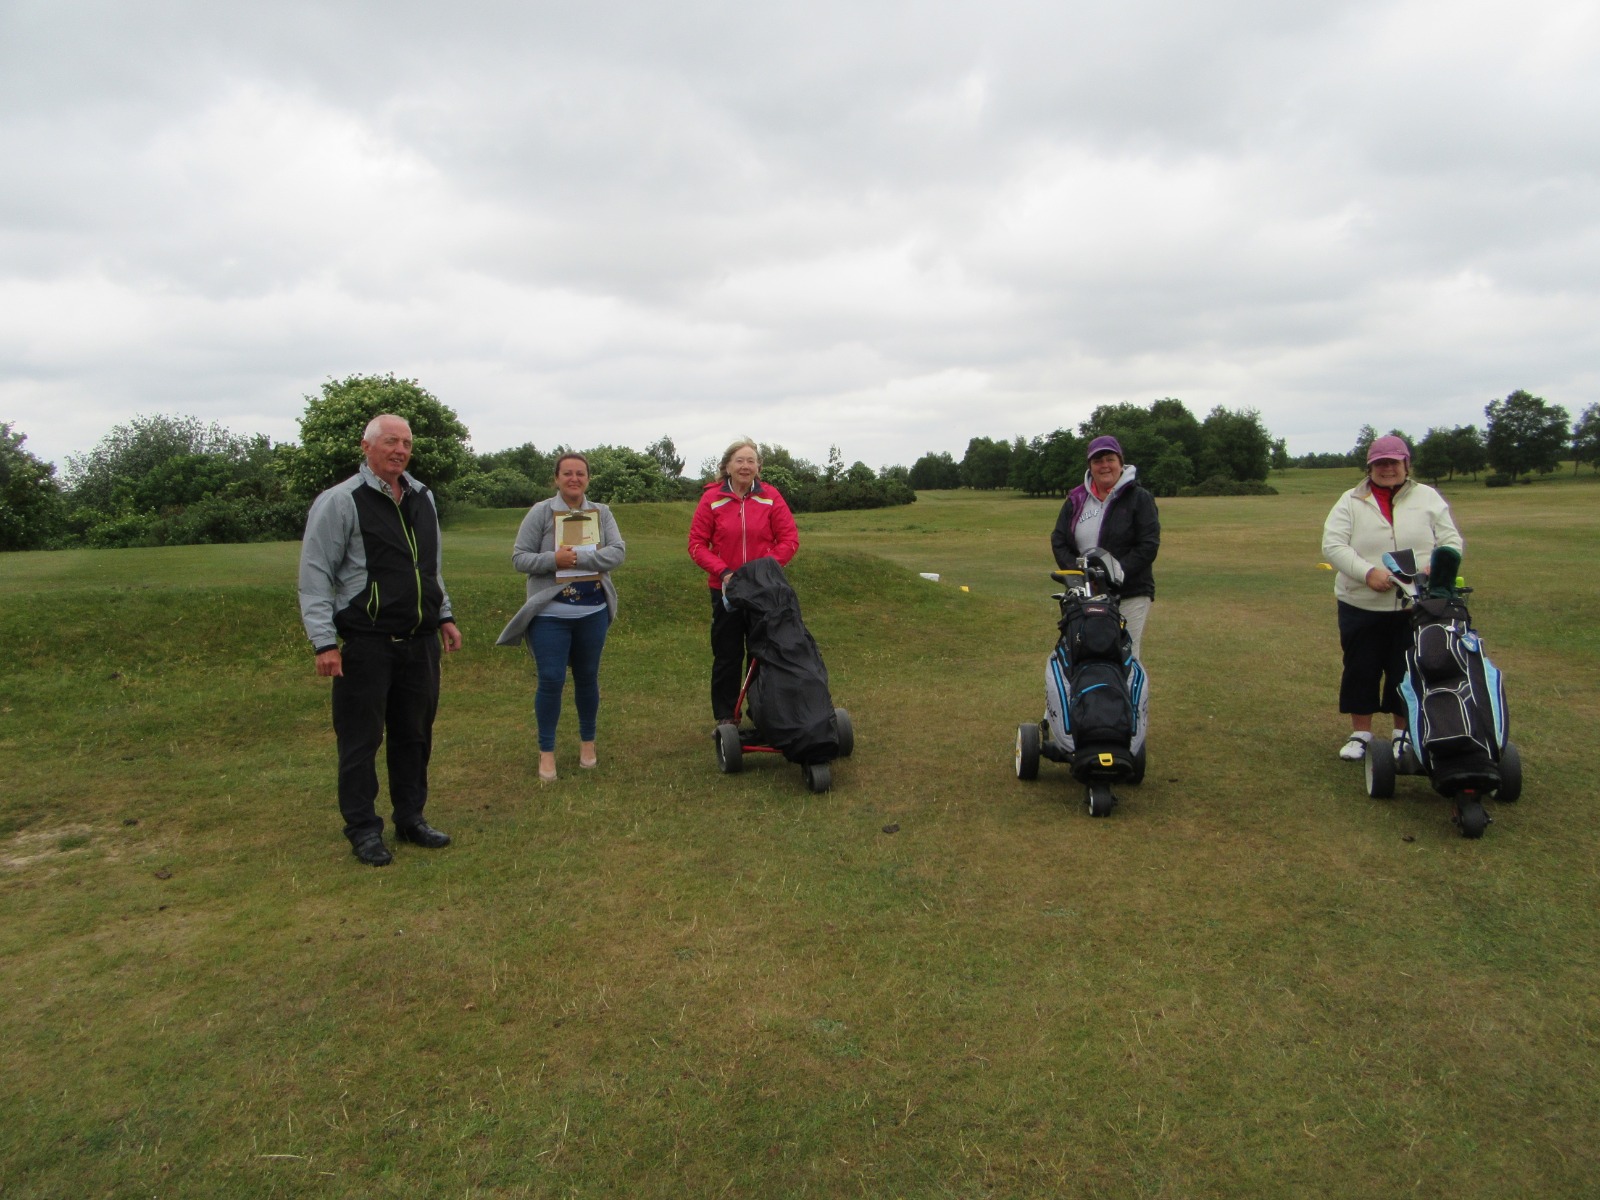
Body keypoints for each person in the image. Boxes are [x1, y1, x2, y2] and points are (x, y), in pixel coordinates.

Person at [298, 413, 461, 866]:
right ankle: (364, 829)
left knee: (414, 735)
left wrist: (443, 614)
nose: (400, 450)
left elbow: (430, 568)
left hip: (419, 640)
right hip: (366, 642)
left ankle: (411, 818)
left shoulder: (422, 496)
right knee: (360, 740)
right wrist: (324, 642)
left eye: (406, 443)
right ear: (366, 446)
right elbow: (315, 576)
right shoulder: (341, 501)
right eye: (391, 441)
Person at [1322, 435, 1463, 762]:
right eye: (1380, 463)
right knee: (1361, 667)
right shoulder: (1350, 500)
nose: (1387, 469)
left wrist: (1435, 568)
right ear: (1370, 467)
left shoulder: (1428, 497)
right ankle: (1360, 733)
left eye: (1393, 462)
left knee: (1408, 670)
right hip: (1360, 602)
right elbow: (1334, 545)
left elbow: (1450, 541)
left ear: (1406, 464)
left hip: (1417, 604)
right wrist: (1367, 572)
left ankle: (1403, 734)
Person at [496, 453, 626, 782]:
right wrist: (553, 560)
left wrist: (578, 558)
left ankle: (588, 744)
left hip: (593, 612)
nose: (574, 479)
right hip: (550, 615)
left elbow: (617, 553)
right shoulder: (541, 512)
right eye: (567, 473)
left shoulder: (602, 513)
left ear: (588, 479)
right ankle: (546, 752)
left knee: (587, 678)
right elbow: (519, 558)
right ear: (556, 478)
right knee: (551, 679)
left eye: (580, 473)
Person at [687, 439, 800, 724]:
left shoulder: (771, 496)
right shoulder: (711, 498)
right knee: (727, 655)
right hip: (726, 590)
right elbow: (697, 544)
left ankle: (763, 713)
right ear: (727, 466)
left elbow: (789, 540)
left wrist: (763, 569)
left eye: (751, 461)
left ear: (758, 467)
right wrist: (724, 571)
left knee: (764, 653)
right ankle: (726, 718)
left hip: (763, 589)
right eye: (739, 460)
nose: (745, 466)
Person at [1050, 435, 1161, 660]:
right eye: (1097, 461)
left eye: (1110, 459)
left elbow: (1148, 545)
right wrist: (1080, 575)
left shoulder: (1139, 498)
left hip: (1130, 592)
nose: (1104, 466)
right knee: (1086, 654)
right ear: (1090, 466)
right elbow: (1059, 539)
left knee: (1124, 657)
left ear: (1120, 462)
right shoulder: (1076, 499)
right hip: (1086, 595)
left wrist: (1111, 574)